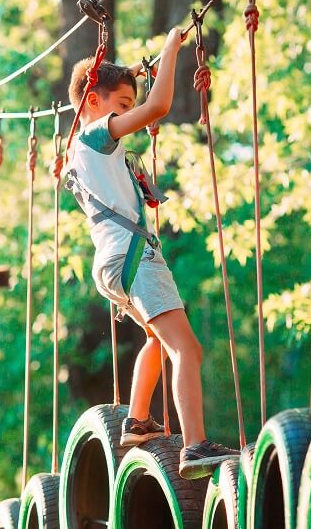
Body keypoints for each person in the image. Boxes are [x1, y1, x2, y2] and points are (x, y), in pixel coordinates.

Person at [62, 27, 239, 479]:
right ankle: (195, 446)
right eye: (122, 105)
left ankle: (137, 420)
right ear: (92, 101)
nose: (129, 115)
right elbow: (157, 107)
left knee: (158, 340)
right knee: (188, 349)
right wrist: (171, 49)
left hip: (112, 261)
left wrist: (143, 71)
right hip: (133, 254)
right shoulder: (96, 136)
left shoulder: (80, 155)